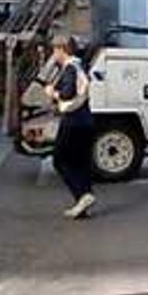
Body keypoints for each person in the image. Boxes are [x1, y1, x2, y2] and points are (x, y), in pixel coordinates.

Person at [44, 35, 96, 219]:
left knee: (60, 160)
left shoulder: (70, 68)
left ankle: (83, 195)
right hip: (86, 120)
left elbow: (67, 93)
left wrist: (53, 93)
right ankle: (82, 205)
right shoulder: (80, 65)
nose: (53, 54)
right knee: (79, 161)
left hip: (73, 121)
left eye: (55, 50)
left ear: (62, 49)